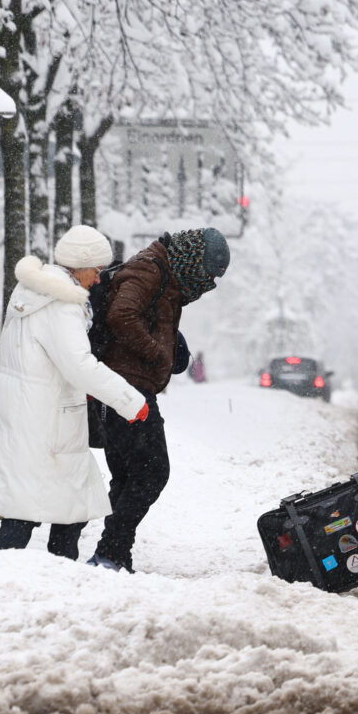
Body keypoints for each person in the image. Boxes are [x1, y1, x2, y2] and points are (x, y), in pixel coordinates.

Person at [0, 227, 150, 559]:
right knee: (30, 512)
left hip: (26, 414)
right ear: (80, 266)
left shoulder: (31, 291)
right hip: (45, 421)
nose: (98, 280)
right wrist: (132, 402)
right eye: (96, 271)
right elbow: (79, 366)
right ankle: (10, 578)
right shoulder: (62, 304)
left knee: (60, 507)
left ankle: (52, 574)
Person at [90, 227, 230, 572]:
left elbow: (144, 316)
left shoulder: (165, 272)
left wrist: (170, 346)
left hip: (125, 387)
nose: (207, 284)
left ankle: (114, 555)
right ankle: (110, 551)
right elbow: (121, 315)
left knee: (128, 476)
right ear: (194, 260)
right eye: (207, 275)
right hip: (124, 389)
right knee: (153, 472)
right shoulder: (150, 269)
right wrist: (157, 354)